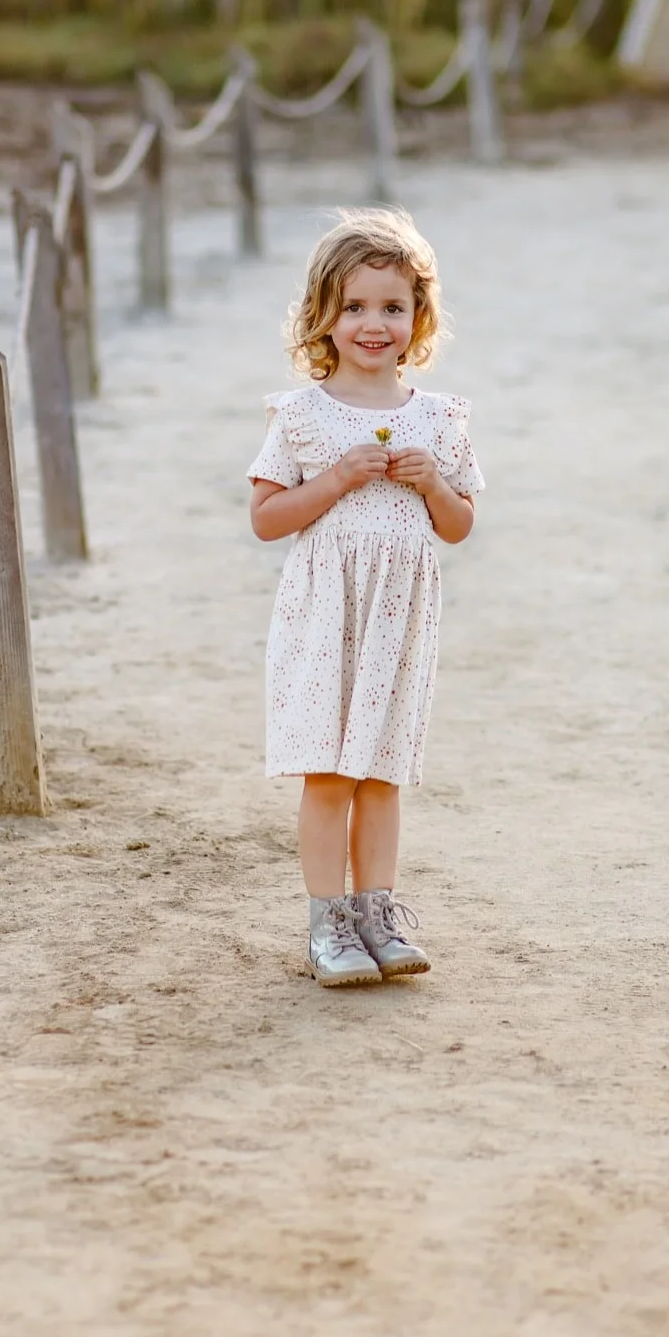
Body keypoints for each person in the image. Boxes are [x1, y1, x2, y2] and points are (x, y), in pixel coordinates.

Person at [246, 208, 482, 987]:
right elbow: (266, 517)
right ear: (324, 315)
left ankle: (378, 913)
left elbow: (459, 526)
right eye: (354, 306)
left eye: (392, 306)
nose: (373, 323)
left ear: (419, 317)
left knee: (381, 771)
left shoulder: (439, 420)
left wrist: (434, 482)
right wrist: (336, 478)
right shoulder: (303, 416)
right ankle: (328, 926)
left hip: (398, 620)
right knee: (330, 772)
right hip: (325, 620)